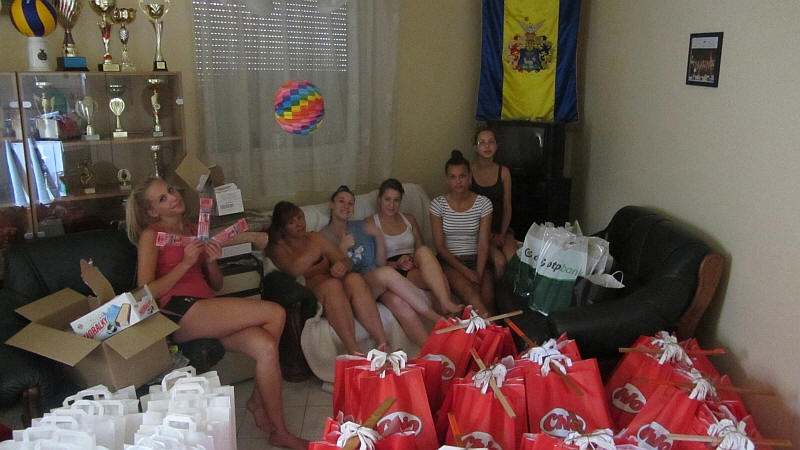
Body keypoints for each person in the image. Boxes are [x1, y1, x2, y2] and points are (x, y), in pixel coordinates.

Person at [126, 177, 307, 450]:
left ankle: (279, 431)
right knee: (275, 313)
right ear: (152, 211)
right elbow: (144, 293)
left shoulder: (193, 229)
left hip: (205, 308)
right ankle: (258, 403)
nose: (173, 197)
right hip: (177, 312)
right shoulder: (152, 236)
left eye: (171, 191)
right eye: (162, 198)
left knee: (266, 347)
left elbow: (216, 284)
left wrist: (211, 261)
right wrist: (185, 263)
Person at [320, 185, 440, 346]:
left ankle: (430, 352)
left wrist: (378, 236)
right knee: (386, 273)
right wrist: (342, 249)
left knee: (401, 305)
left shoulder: (361, 226)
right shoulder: (323, 236)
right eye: (341, 201)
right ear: (331, 205)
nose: (346, 206)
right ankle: (436, 318)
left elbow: (379, 263)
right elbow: (329, 274)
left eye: (350, 203)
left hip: (376, 283)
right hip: (355, 287)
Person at [266, 200, 390, 355]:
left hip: (336, 289)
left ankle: (383, 344)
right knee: (333, 285)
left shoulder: (315, 238)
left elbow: (346, 260)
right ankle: (354, 351)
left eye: (299, 217)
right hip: (311, 295)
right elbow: (293, 270)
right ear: (282, 227)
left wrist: (342, 266)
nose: (299, 224)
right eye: (291, 222)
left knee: (354, 279)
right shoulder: (278, 247)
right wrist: (314, 251)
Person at [366, 178, 462, 315]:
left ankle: (446, 308)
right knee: (440, 280)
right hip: (392, 268)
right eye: (387, 199)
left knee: (424, 251)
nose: (391, 205)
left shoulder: (409, 219)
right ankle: (448, 313)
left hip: (413, 262)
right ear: (379, 199)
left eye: (396, 200)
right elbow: (369, 261)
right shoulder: (370, 223)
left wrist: (411, 259)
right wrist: (397, 264)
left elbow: (420, 247)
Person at [430, 150, 496, 316]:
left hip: (476, 259)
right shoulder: (438, 204)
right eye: (453, 177)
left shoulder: (483, 203)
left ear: (469, 177)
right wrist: (467, 273)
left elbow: (483, 244)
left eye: (462, 176)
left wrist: (478, 274)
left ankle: (494, 330)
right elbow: (440, 246)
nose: (458, 181)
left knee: (488, 297)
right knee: (471, 294)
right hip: (451, 262)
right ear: (447, 179)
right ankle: (495, 331)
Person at [470, 127, 519, 279]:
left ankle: (512, 294)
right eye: (482, 142)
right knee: (499, 262)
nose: (487, 146)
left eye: (491, 142)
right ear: (475, 147)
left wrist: (502, 234)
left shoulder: (504, 172)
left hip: (501, 229)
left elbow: (507, 206)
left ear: (496, 146)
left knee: (514, 260)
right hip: (479, 232)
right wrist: (489, 236)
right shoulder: (469, 172)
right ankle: (496, 294)